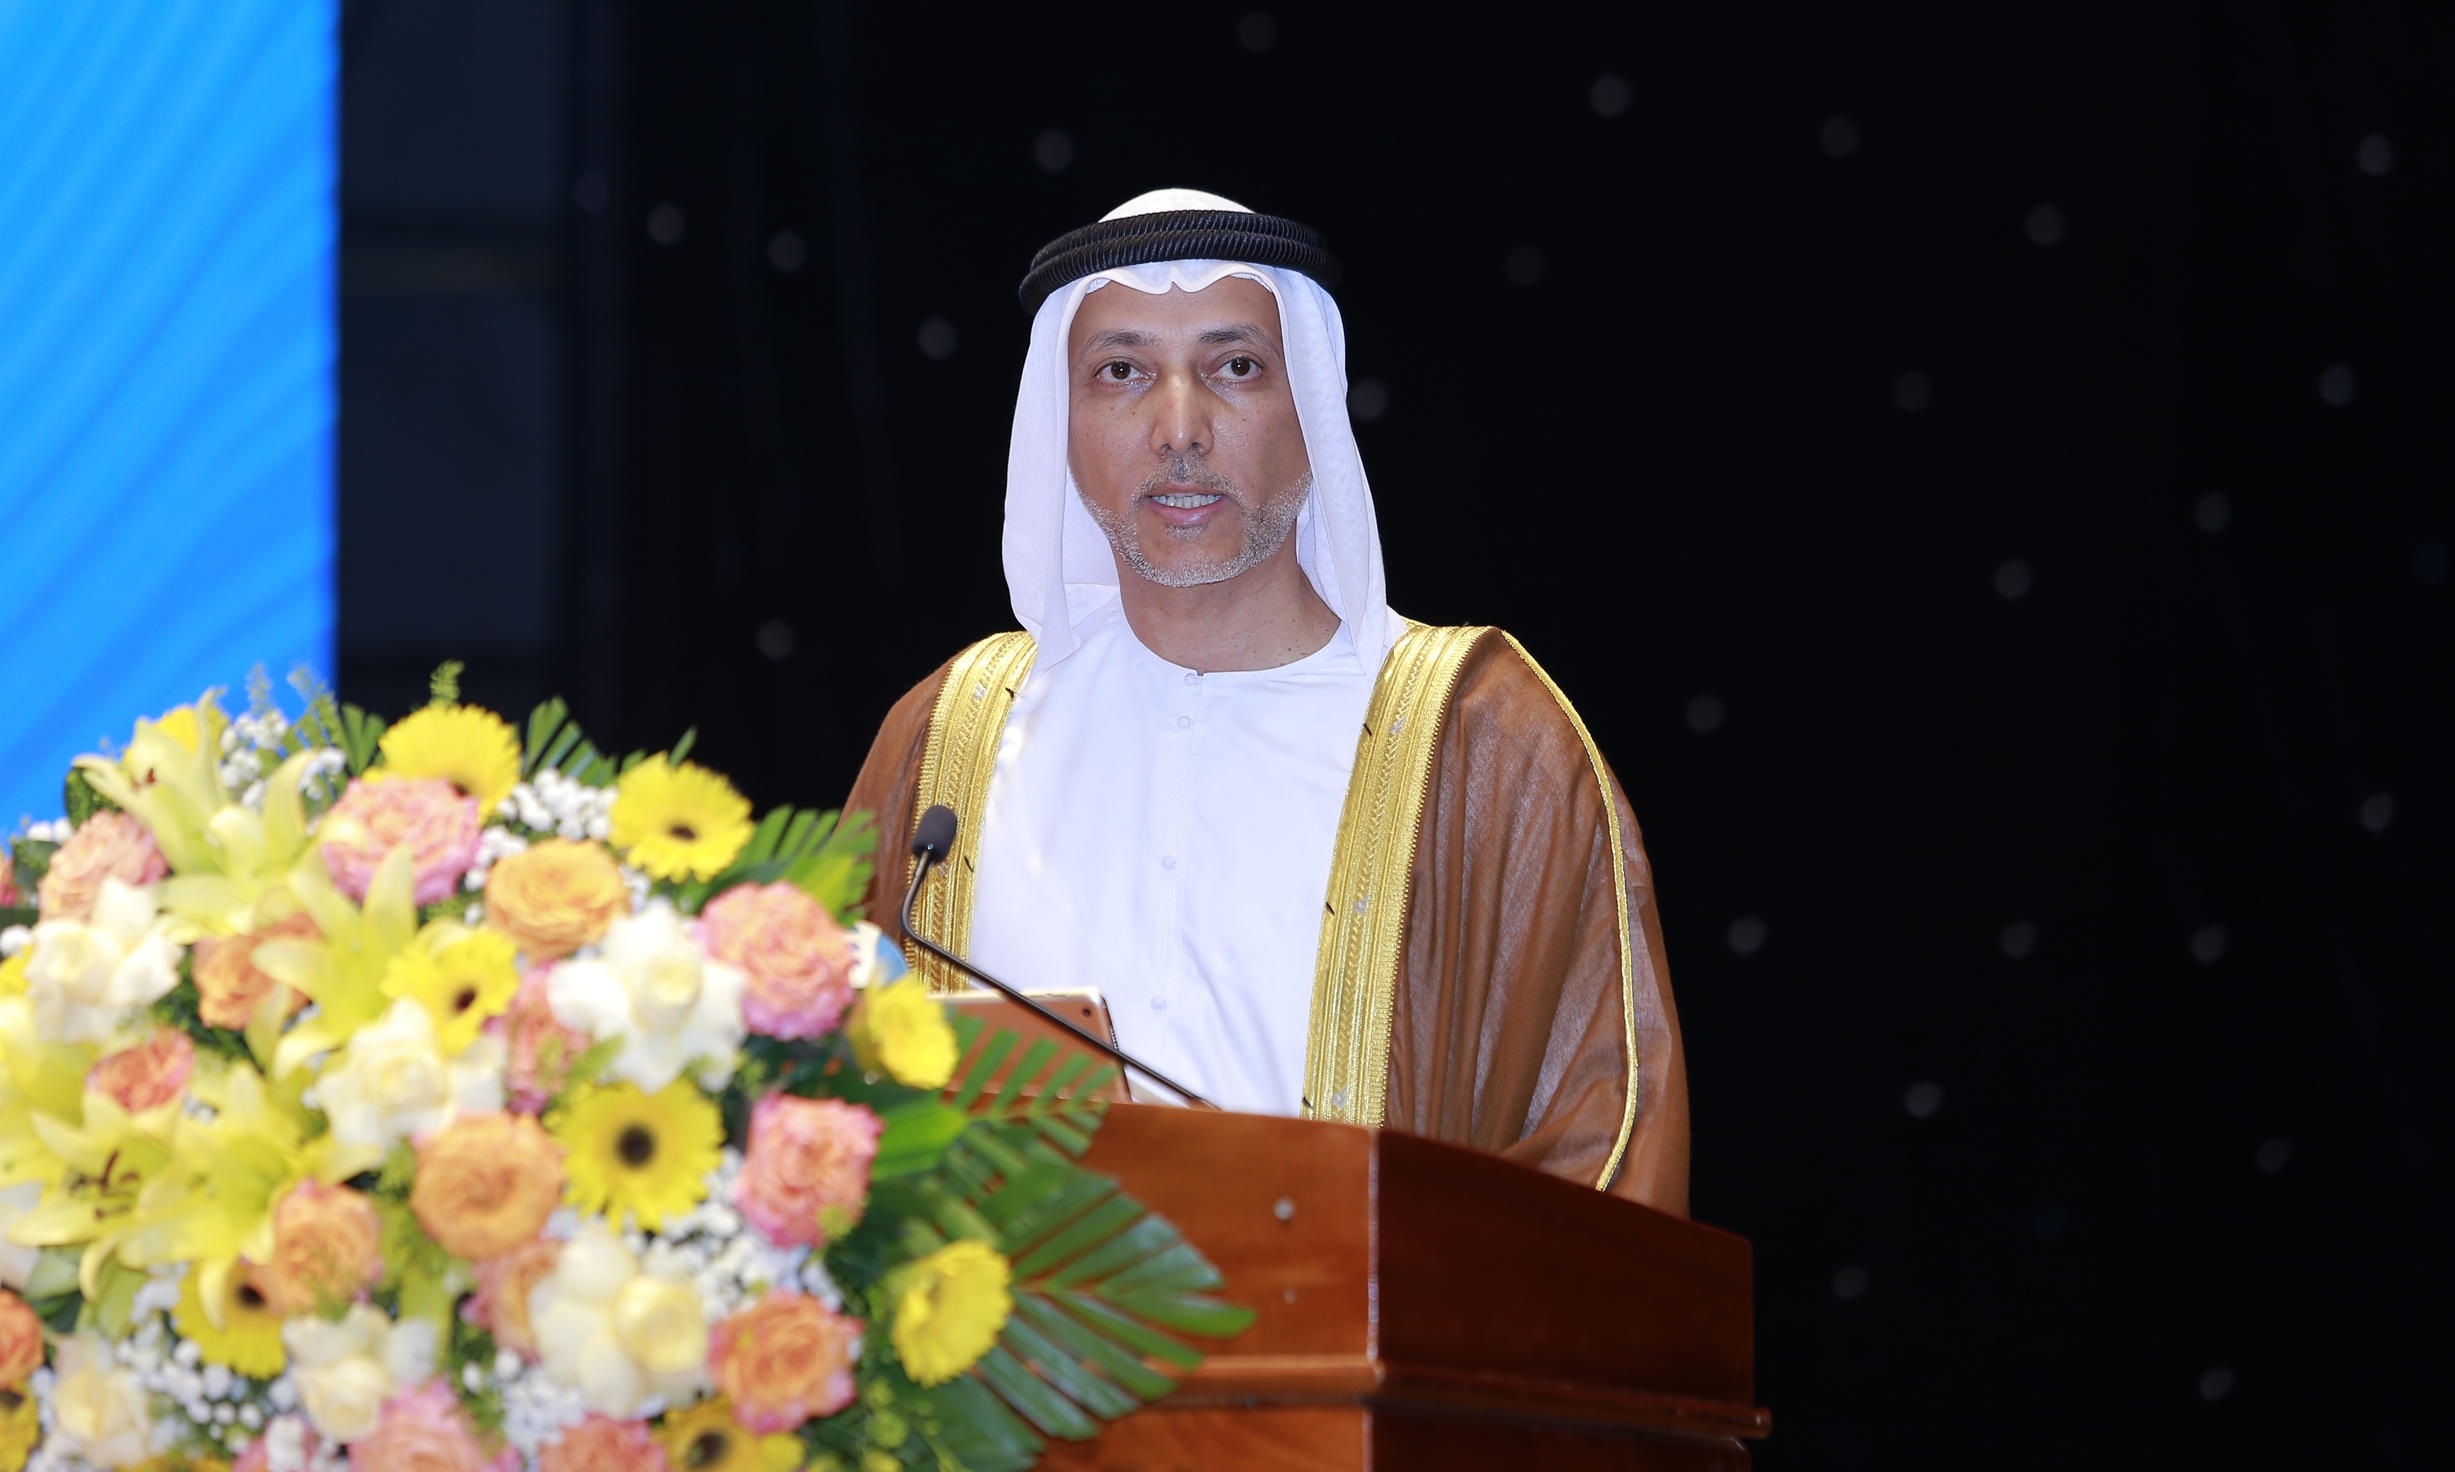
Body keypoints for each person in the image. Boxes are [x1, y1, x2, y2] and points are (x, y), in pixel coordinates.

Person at [847, 189, 1690, 1211]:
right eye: (1120, 372)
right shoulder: (950, 736)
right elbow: (818, 1102)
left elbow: (1606, 1149)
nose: (1179, 429)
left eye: (1235, 366)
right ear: (1058, 422)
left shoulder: (1481, 737)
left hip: (1361, 1318)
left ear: (1313, 407)